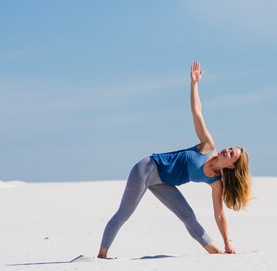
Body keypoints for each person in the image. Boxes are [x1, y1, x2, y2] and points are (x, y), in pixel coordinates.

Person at [97, 61, 251, 258]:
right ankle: (101, 256)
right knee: (125, 213)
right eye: (230, 148)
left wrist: (228, 242)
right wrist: (194, 84)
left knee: (188, 216)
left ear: (231, 165)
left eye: (231, 154)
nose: (226, 151)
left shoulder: (216, 182)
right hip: (147, 169)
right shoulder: (207, 146)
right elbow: (197, 113)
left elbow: (219, 215)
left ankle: (217, 253)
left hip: (164, 183)